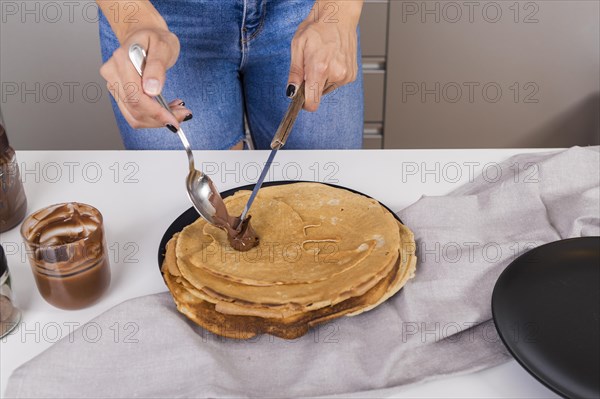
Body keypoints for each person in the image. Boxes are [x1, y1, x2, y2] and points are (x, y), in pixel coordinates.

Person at [97, 0, 364, 150]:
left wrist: (341, 9)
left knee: (324, 193)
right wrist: (131, 19)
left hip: (311, 12)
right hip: (158, 16)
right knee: (188, 214)